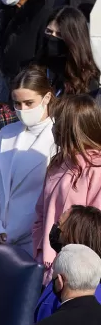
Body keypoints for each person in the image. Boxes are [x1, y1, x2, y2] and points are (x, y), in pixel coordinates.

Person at [0, 67, 57, 254]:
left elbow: (50, 196)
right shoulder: (5, 134)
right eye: (17, 103)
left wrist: (11, 232)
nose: (22, 109)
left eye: (29, 103)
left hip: (35, 241)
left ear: (46, 99)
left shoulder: (58, 138)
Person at [32, 95, 101, 278]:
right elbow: (41, 211)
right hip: (47, 268)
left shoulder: (97, 169)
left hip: (79, 273)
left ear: (72, 128)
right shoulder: (58, 163)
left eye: (57, 123)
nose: (53, 129)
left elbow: (94, 227)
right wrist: (41, 248)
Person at [32, 205, 101, 320]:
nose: (54, 228)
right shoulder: (62, 273)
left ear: (74, 235)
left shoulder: (88, 289)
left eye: (59, 225)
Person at [37, 6, 100, 97]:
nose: (52, 37)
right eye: (49, 31)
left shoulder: (87, 79)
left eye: (59, 35)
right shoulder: (38, 66)